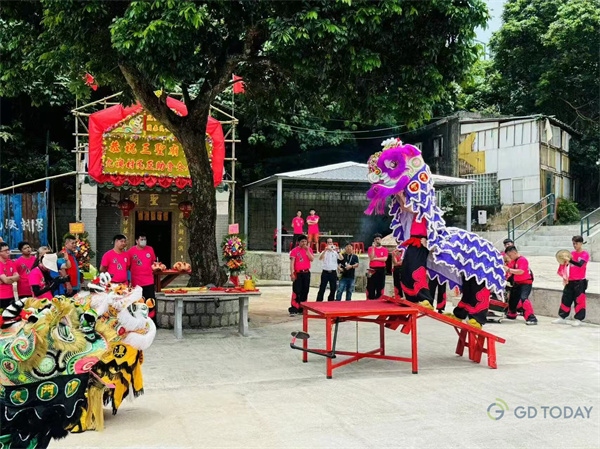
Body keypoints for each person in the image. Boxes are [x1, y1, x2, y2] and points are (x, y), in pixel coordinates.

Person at [554, 235, 589, 326]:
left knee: (579, 300)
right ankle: (562, 317)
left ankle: (579, 319)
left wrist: (570, 260)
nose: (575, 245)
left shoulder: (585, 254)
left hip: (580, 281)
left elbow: (580, 264)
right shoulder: (571, 253)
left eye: (576, 243)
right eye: (573, 243)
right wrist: (563, 261)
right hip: (570, 281)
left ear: (581, 243)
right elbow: (565, 264)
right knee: (566, 299)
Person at [505, 245, 538, 325]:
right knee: (512, 298)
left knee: (524, 298)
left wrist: (509, 270)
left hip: (526, 283)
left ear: (514, 252)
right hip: (517, 283)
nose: (509, 257)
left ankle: (531, 318)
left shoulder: (523, 260)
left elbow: (521, 271)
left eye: (510, 255)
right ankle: (512, 314)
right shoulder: (513, 261)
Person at [128, 234, 157, 321]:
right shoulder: (130, 252)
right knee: (138, 302)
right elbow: (127, 266)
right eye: (141, 239)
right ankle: (138, 320)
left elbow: (153, 263)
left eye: (145, 239)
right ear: (137, 241)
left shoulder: (150, 249)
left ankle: (151, 320)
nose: (143, 241)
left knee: (150, 301)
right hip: (136, 282)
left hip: (149, 281)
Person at [288, 235, 314, 316]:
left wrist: (307, 251)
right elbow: (292, 263)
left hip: (306, 273)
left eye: (305, 241)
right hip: (298, 273)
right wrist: (292, 273)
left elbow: (311, 259)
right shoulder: (294, 251)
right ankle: (294, 307)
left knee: (305, 290)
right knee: (296, 290)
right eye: (302, 241)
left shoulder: (309, 250)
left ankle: (302, 308)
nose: (304, 243)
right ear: (298, 242)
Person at [366, 234, 388, 300]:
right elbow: (371, 258)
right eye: (376, 239)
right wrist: (373, 248)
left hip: (381, 269)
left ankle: (379, 298)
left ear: (381, 240)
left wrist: (376, 259)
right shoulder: (370, 248)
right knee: (370, 285)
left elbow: (385, 259)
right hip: (372, 269)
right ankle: (370, 299)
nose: (377, 241)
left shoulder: (384, 249)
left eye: (378, 239)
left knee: (380, 285)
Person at [0, 242, 19, 311]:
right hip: (1, 297)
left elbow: (17, 277)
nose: (8, 252)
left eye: (8, 250)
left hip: (11, 295)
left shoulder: (10, 262)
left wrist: (6, 280)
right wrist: (9, 279)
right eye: (5, 250)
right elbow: (6, 280)